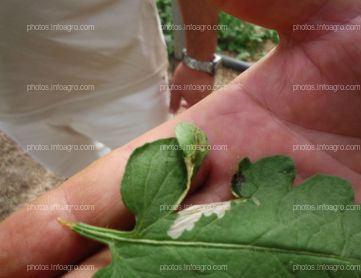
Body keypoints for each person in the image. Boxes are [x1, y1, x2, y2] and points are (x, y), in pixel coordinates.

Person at [1, 0, 361, 278]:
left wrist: (197, 56)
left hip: (126, 74)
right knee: (86, 175)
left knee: (148, 159)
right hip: (13, 101)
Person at [0, 0, 218, 178]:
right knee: (85, 181)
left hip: (124, 79)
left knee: (163, 175)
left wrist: (199, 61)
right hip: (14, 106)